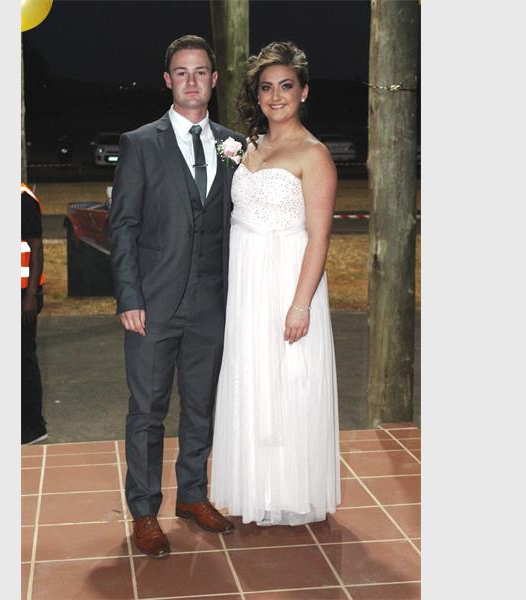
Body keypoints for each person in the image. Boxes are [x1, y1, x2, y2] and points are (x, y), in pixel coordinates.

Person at [109, 35, 247, 558]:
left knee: (200, 404)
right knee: (147, 409)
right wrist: (129, 295)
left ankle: (192, 494)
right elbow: (123, 225)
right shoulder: (140, 143)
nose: (192, 81)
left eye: (201, 71)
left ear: (214, 79)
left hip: (211, 303)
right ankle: (145, 509)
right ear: (168, 80)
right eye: (182, 72)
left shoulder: (236, 146)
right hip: (153, 303)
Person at [210, 41, 341, 526]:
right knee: (252, 379)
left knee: (289, 382)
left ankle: (290, 489)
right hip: (247, 282)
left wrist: (300, 304)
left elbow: (319, 237)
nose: (276, 96)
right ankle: (255, 486)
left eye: (286, 86)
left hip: (288, 279)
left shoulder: (314, 154)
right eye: (266, 87)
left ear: (304, 92)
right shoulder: (249, 147)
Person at [21, 182, 47, 446]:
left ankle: (32, 427)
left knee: (23, 361)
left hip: (22, 297)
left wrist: (30, 296)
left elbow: (36, 247)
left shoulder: (23, 199)